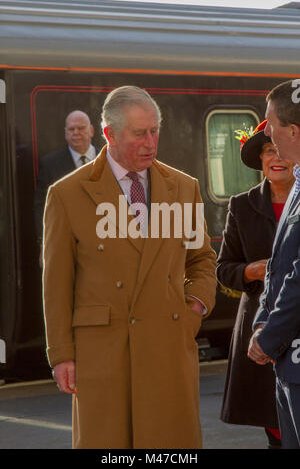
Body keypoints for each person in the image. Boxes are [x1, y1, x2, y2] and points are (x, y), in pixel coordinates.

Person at [42, 86, 217, 449]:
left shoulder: (183, 187)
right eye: (140, 133)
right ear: (109, 133)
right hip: (102, 355)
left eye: (155, 131)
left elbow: (201, 259)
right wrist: (62, 355)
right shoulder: (67, 194)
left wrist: (194, 307)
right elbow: (56, 283)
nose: (150, 142)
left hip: (167, 345)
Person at [217, 119, 294, 449]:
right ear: (261, 159)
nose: (276, 158)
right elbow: (224, 269)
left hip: (297, 322)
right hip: (260, 327)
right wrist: (253, 271)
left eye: (283, 150)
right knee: (275, 428)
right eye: (268, 151)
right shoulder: (241, 205)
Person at [248, 80, 300, 449]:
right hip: (289, 362)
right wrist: (262, 318)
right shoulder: (298, 182)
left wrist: (268, 336)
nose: (266, 132)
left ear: (293, 131)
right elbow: (279, 265)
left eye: (270, 123)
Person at [34, 110, 96, 246]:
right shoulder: (50, 164)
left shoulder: (110, 159)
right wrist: (44, 244)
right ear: (65, 133)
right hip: (65, 243)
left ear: (91, 130)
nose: (76, 132)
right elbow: (42, 207)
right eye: (71, 129)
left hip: (103, 241)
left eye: (81, 128)